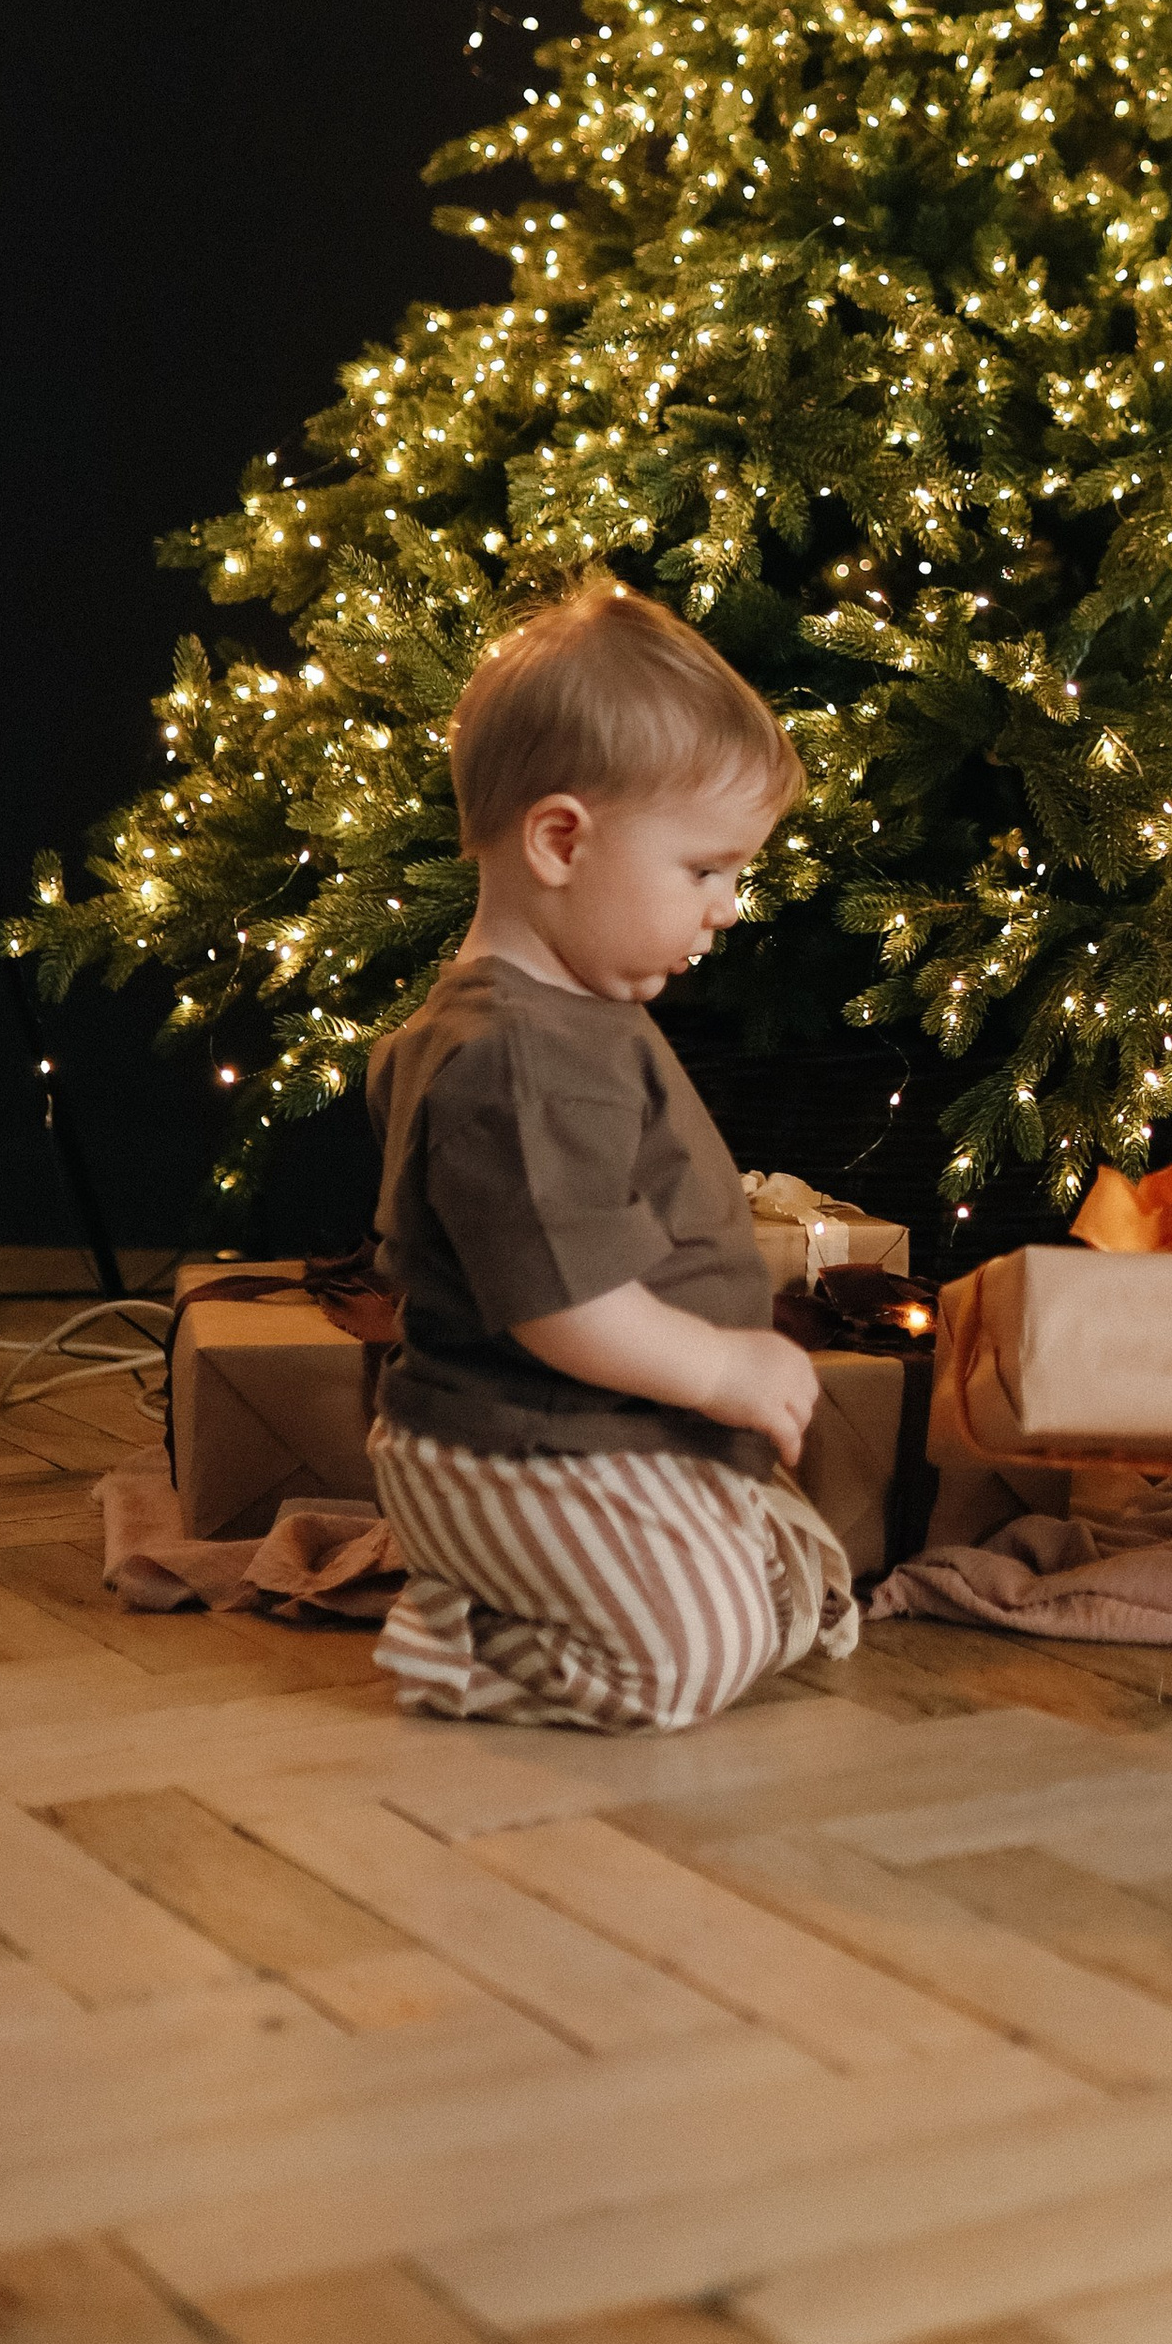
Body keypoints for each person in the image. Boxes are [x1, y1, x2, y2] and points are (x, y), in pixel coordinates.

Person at [365, 580, 853, 1724]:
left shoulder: (572, 1019)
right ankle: (464, 1639)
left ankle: (676, 1560)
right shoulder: (515, 1057)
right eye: (704, 871)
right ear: (561, 841)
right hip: (519, 1447)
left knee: (801, 1592)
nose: (729, 909)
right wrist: (728, 1371)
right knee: (686, 1661)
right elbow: (563, 1309)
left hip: (602, 1433)